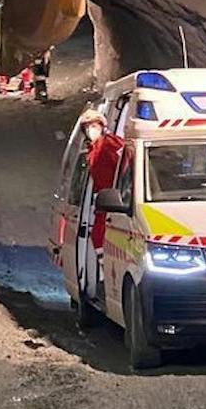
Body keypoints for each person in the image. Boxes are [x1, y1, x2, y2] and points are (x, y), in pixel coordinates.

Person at [77, 110, 125, 301]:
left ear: (102, 126)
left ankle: (108, 279)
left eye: (94, 126)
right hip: (104, 201)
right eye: (88, 127)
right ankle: (105, 277)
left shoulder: (110, 144)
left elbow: (124, 165)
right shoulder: (93, 149)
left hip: (114, 199)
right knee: (98, 236)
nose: (91, 130)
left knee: (104, 237)